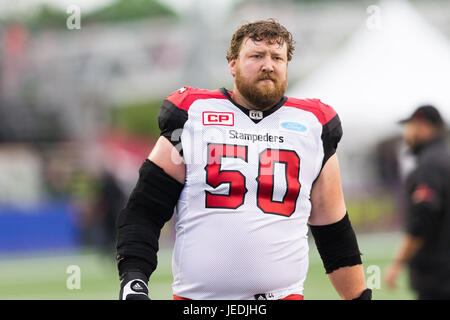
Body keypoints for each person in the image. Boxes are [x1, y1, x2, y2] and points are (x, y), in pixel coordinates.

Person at [116, 19, 371, 300]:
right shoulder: (193, 116)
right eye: (256, 56)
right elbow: (144, 210)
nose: (268, 65)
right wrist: (134, 280)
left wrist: (359, 298)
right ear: (232, 64)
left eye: (277, 57)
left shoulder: (313, 126)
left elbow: (334, 232)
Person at [385, 105, 450, 299]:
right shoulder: (444, 158)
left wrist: (397, 263)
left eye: (410, 126)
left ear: (423, 127)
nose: (407, 134)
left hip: (437, 275)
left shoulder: (430, 164)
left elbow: (422, 219)